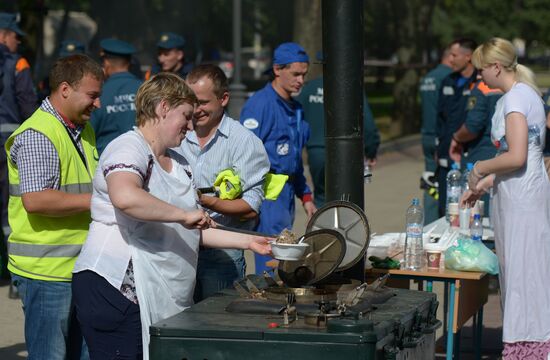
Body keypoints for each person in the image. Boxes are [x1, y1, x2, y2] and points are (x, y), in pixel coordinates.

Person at [72, 73, 271, 359]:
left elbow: (193, 227)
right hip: (116, 288)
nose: (190, 127)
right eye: (186, 116)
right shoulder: (127, 147)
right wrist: (183, 214)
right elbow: (126, 197)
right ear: (163, 108)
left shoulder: (179, 163)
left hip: (162, 290)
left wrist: (251, 243)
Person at [6, 54, 103, 359]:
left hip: (76, 268)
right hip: (47, 273)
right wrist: (102, 201)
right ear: (64, 89)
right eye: (92, 96)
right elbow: (37, 200)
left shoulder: (81, 129)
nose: (97, 104)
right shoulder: (39, 134)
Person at [462, 37, 550, 358]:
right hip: (520, 193)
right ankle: (531, 344)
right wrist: (483, 184)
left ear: (496, 67)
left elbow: (516, 157)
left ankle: (529, 346)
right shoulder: (523, 95)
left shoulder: (515, 101)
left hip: (522, 200)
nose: (478, 77)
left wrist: (479, 167)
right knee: (524, 272)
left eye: (481, 70)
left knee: (524, 274)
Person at [179, 64, 270, 302]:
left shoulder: (244, 142)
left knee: (214, 326)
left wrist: (204, 201)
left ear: (224, 99)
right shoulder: (177, 133)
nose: (196, 110)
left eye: (203, 102)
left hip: (221, 255)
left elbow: (250, 207)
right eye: (191, 102)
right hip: (180, 248)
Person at [240, 42, 317, 274]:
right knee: (272, 258)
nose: (301, 81)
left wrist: (305, 196)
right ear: (277, 70)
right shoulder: (259, 105)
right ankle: (269, 304)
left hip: (287, 195)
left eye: (304, 75)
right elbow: (244, 156)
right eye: (295, 74)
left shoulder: (296, 109)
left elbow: (294, 161)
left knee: (285, 257)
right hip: (267, 194)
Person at [295, 74, 380, 208]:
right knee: (347, 201)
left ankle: (322, 227)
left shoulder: (308, 88)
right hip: (345, 152)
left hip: (316, 152)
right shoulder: (351, 86)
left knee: (322, 199)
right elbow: (367, 123)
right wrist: (371, 150)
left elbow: (295, 119)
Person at [0, 12, 38, 287]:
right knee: (11, 206)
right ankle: (14, 274)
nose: (17, 42)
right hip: (6, 141)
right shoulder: (18, 63)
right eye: (15, 36)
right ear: (3, 34)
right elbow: (27, 105)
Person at [436, 38, 478, 217]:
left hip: (469, 158)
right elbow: (440, 120)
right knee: (446, 211)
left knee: (469, 212)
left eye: (454, 55)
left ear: (468, 56)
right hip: (447, 159)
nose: (450, 59)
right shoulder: (448, 81)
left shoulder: (480, 81)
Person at [449, 77, 502, 215]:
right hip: (503, 156)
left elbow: (473, 126)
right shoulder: (522, 85)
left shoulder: (483, 87)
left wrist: (456, 137)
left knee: (477, 212)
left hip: (483, 153)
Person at [418, 46, 452, 224]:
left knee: (431, 181)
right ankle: (444, 223)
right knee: (447, 182)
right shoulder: (448, 78)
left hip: (427, 136)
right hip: (441, 137)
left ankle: (429, 224)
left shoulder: (427, 77)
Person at [91, 38, 142, 155]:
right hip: (142, 158)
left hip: (106, 161)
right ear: (129, 62)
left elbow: (90, 131)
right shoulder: (145, 88)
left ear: (106, 63)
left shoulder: (98, 92)